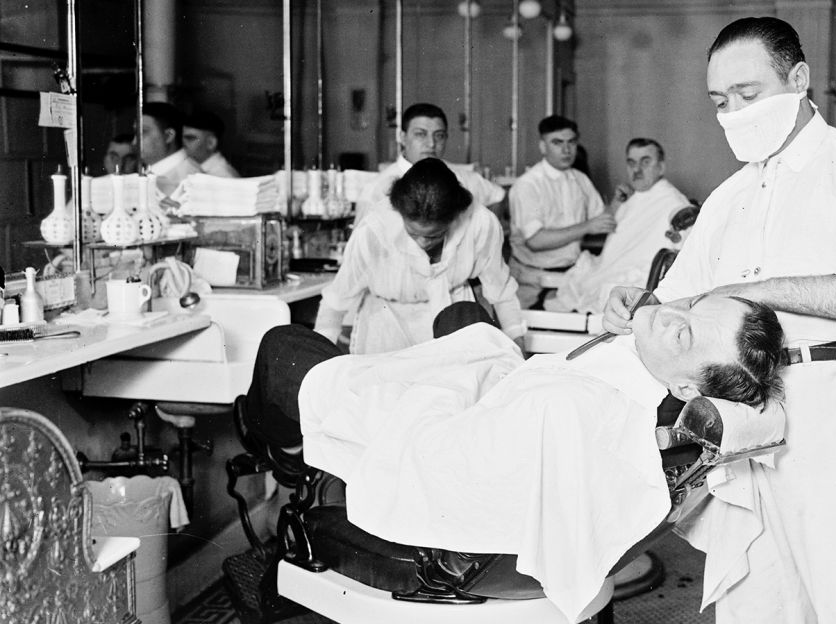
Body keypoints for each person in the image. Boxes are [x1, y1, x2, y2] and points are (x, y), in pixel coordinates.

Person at [602, 16, 836, 624]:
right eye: (719, 101)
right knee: (760, 591)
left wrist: (755, 290)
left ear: (799, 78)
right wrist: (638, 301)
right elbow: (676, 299)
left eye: (748, 94)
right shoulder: (730, 198)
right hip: (746, 420)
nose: (733, 112)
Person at [241, 293, 785, 622]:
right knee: (462, 318)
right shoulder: (643, 390)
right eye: (689, 304)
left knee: (283, 346)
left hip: (457, 453)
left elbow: (445, 457)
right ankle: (300, 434)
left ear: (690, 386)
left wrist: (435, 388)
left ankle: (288, 452)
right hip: (506, 408)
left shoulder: (576, 411)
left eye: (684, 330)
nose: (669, 312)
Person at [314, 157, 525, 354]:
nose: (423, 243)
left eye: (434, 235)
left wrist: (518, 348)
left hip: (454, 326)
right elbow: (335, 302)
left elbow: (502, 292)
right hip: (386, 330)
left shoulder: (479, 223)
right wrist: (319, 366)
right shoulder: (373, 231)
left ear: (454, 218)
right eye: (413, 233)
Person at [545, 138, 691, 313]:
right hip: (608, 270)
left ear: (661, 167)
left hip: (640, 281)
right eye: (631, 163)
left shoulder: (673, 202)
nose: (637, 169)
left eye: (645, 162)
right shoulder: (631, 196)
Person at [508, 115, 615, 308]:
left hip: (570, 275)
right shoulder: (528, 185)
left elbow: (601, 221)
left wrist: (620, 202)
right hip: (533, 281)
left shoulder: (580, 180)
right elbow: (535, 241)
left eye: (571, 142)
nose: (566, 150)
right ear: (542, 146)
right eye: (557, 143)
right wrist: (587, 227)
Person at [354, 102, 505, 224]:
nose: (431, 144)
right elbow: (362, 250)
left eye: (439, 136)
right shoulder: (377, 189)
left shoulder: (463, 177)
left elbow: (498, 196)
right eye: (421, 134)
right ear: (402, 137)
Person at [137, 101, 202, 198]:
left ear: (168, 136)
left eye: (143, 132)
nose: (135, 142)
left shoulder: (189, 180)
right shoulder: (153, 174)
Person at [182, 110, 240, 178]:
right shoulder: (195, 167)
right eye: (183, 137)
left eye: (190, 138)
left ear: (211, 143)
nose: (183, 142)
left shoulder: (223, 177)